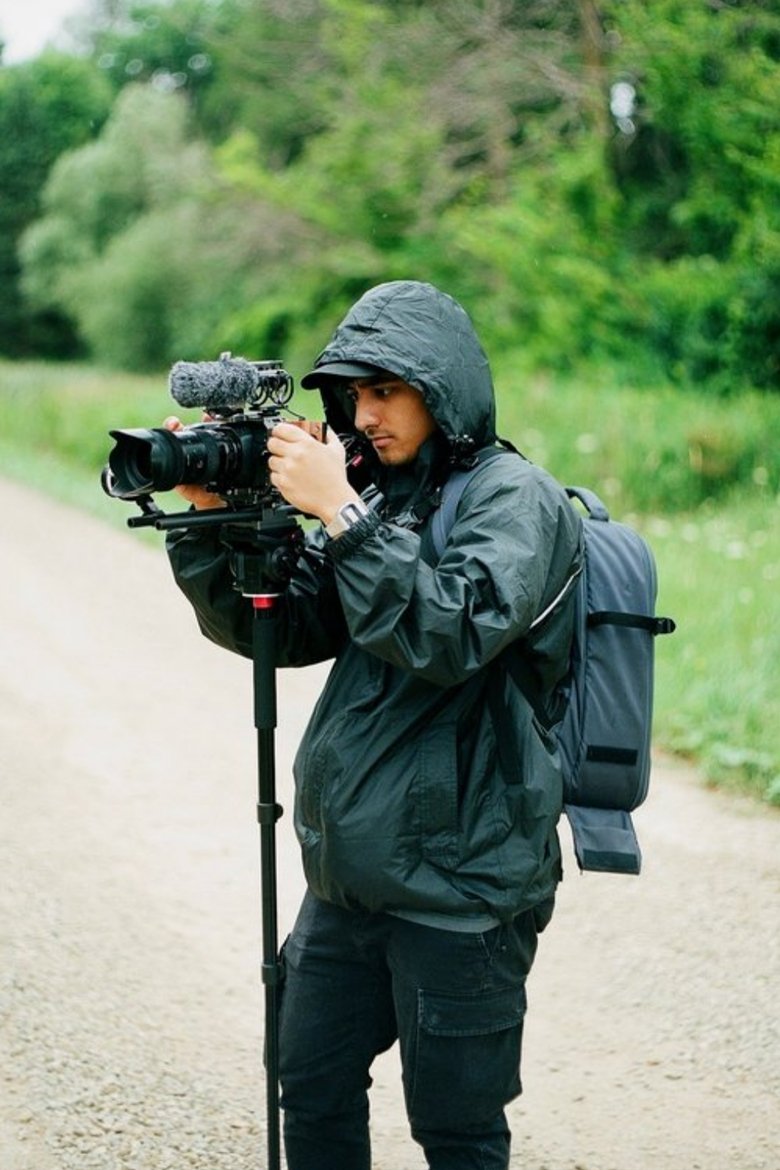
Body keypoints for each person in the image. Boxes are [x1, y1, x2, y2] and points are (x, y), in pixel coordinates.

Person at [165, 280, 582, 1170]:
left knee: (456, 1130)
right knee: (307, 1080)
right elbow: (284, 628)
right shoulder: (385, 493)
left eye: (388, 390)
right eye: (354, 394)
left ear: (444, 389)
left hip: (462, 886)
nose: (367, 413)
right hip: (350, 877)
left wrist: (339, 512)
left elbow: (453, 631)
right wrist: (213, 522)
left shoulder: (518, 500)